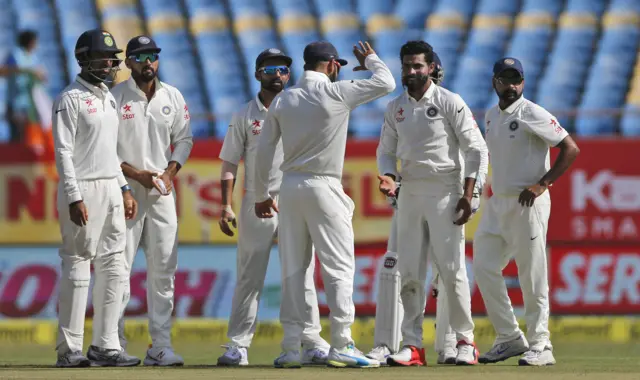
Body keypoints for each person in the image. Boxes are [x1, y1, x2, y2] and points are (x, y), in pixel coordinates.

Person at [253, 40, 395, 368]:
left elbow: (264, 152)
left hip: (288, 188)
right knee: (338, 267)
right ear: (332, 65)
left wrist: (262, 194)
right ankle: (342, 343)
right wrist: (371, 58)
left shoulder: (284, 100)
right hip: (324, 184)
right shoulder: (337, 92)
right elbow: (387, 82)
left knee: (294, 268)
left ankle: (290, 347)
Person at [376, 40, 488, 366]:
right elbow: (386, 149)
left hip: (445, 192)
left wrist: (469, 194)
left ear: (430, 68)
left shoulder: (449, 101)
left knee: (452, 270)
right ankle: (413, 346)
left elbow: (475, 149)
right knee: (409, 272)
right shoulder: (395, 107)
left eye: (418, 66)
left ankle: (466, 341)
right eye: (407, 66)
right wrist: (387, 175)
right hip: (409, 192)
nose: (412, 71)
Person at [216, 48, 330, 367]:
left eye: (282, 69)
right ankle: (238, 345)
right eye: (270, 69)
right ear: (257, 74)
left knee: (302, 272)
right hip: (257, 200)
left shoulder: (299, 107)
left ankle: (311, 342)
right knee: (249, 276)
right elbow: (229, 162)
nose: (277, 74)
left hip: (294, 198)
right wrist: (226, 205)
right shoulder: (244, 114)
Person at [474, 57, 579, 366]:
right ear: (494, 82)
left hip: (528, 203)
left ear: (523, 82)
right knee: (483, 267)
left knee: (531, 274)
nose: (511, 85)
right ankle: (508, 336)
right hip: (499, 202)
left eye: (516, 79)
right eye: (505, 79)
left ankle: (541, 345)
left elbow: (570, 148)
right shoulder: (491, 115)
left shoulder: (532, 112)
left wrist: (542, 184)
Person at [52, 29, 139, 368]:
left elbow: (111, 152)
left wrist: (124, 188)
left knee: (115, 266)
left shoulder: (108, 96)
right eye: (102, 57)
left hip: (110, 187)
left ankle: (106, 345)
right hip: (83, 188)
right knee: (77, 264)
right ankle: (68, 349)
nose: (109, 63)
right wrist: (74, 197)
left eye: (111, 57)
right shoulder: (69, 99)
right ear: (83, 58)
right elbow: (63, 152)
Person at [112, 35, 193, 366]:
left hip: (161, 194)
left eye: (153, 56)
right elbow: (105, 151)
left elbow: (184, 139)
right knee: (118, 269)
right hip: (126, 193)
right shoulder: (115, 97)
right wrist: (134, 178)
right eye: (141, 56)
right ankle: (113, 343)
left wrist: (169, 174)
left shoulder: (172, 96)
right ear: (129, 61)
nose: (148, 62)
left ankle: (160, 345)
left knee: (164, 271)